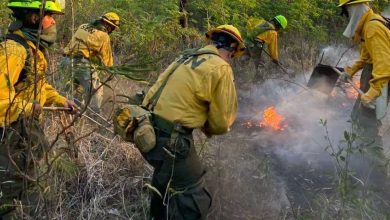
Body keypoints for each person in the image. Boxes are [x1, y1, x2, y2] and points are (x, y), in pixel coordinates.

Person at [139, 25, 245, 219]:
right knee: (194, 197)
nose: (231, 59)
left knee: (165, 180)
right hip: (171, 141)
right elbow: (222, 122)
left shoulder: (186, 56)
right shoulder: (221, 67)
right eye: (233, 55)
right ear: (231, 48)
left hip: (146, 131)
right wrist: (208, 126)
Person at [0, 0, 79, 218]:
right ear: (34, 17)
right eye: (50, 16)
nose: (53, 21)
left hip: (25, 129)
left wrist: (60, 100)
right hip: (10, 133)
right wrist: (28, 108)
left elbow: (35, 85)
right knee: (10, 189)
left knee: (32, 183)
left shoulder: (31, 48)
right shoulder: (14, 50)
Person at [338, 0, 390, 144]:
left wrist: (373, 93)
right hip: (379, 77)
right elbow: (366, 57)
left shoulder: (373, 27)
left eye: (346, 12)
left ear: (354, 9)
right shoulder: (370, 24)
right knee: (358, 117)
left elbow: (384, 65)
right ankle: (361, 152)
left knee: (366, 123)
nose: (346, 17)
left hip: (381, 79)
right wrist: (350, 71)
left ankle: (375, 162)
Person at [61, 12, 119, 113]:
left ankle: (64, 112)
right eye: (112, 28)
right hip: (80, 63)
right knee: (95, 90)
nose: (112, 30)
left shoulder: (83, 26)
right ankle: (94, 115)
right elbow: (107, 60)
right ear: (107, 25)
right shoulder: (104, 36)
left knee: (67, 89)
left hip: (65, 60)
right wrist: (111, 71)